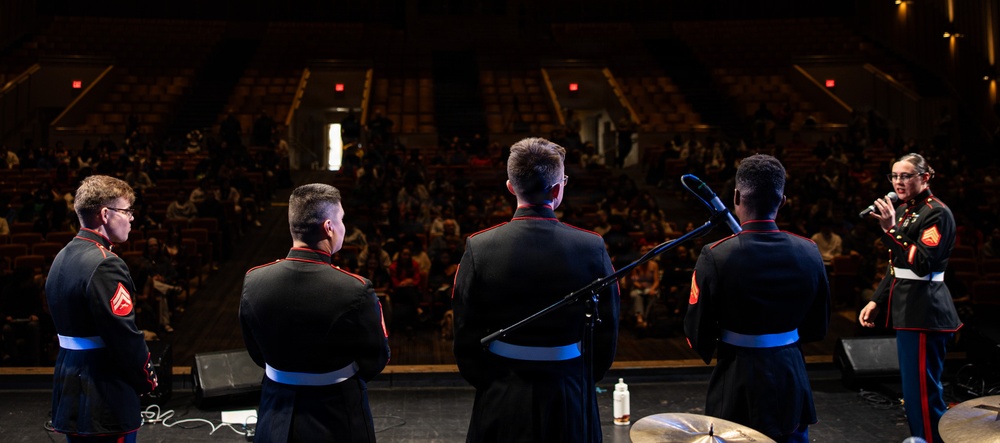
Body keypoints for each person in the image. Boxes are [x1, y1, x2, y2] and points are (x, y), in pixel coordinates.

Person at [452, 137, 620, 442]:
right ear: (557, 190)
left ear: (511, 187)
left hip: (503, 388)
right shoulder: (589, 246)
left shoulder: (480, 247)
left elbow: (464, 329)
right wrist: (582, 376)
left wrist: (489, 380)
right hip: (568, 387)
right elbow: (607, 327)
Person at [684, 154, 830, 443]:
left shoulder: (716, 254)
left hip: (738, 377)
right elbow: (817, 326)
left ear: (737, 197)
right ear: (783, 200)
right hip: (791, 374)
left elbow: (697, 330)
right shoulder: (809, 251)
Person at [240, 183, 390, 443]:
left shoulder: (254, 280)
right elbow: (376, 357)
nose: (343, 226)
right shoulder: (355, 288)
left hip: (275, 406)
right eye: (342, 219)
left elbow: (255, 350)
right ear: (329, 227)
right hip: (336, 413)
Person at [45, 175, 158, 442]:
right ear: (105, 214)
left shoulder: (62, 256)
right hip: (104, 388)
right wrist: (147, 379)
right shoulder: (106, 263)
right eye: (126, 210)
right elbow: (124, 336)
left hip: (69, 380)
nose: (131, 218)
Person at [858, 153, 962, 443]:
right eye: (894, 176)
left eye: (906, 176)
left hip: (925, 311)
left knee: (923, 394)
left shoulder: (936, 213)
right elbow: (898, 266)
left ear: (925, 177)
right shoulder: (905, 211)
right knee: (913, 392)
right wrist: (877, 300)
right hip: (909, 310)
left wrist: (891, 230)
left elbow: (922, 263)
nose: (898, 182)